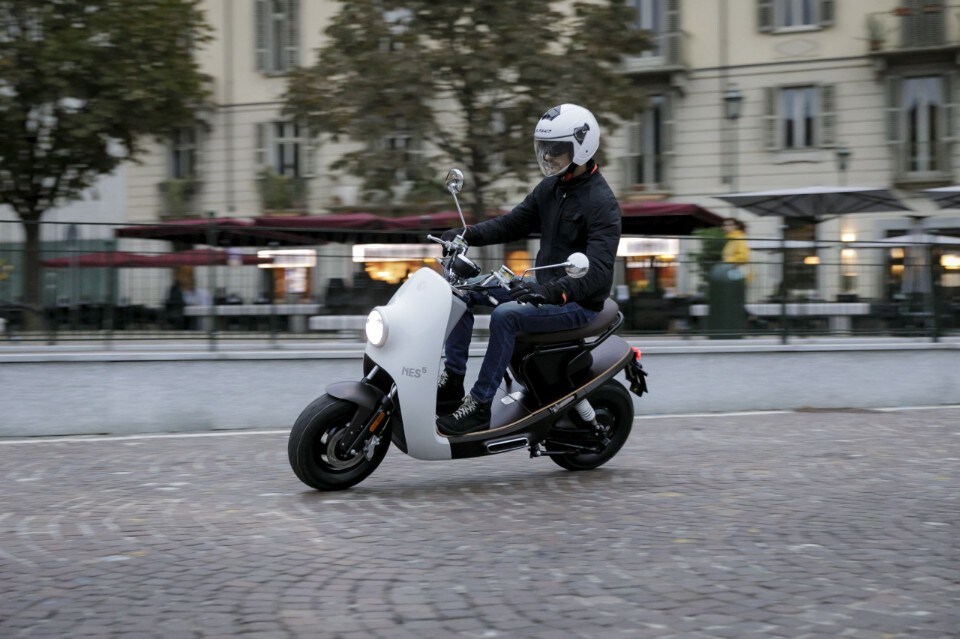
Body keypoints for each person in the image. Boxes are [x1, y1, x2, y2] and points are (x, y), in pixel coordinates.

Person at [435, 103, 621, 436]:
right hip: (542, 289)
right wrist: (466, 234)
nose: (548, 155)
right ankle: (452, 382)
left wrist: (550, 291)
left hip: (576, 303)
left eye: (556, 149)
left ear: (581, 147)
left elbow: (598, 272)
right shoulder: (550, 188)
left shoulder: (601, 203)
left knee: (506, 316)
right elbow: (513, 223)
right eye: (544, 147)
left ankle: (479, 406)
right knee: (460, 292)